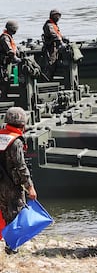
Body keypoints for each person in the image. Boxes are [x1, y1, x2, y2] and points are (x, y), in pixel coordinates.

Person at [0, 107, 37, 254]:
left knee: (4, 213)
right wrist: (30, 187)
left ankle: (9, 246)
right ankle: (12, 248)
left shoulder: (1, 136)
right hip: (11, 185)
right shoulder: (16, 142)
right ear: (23, 125)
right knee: (16, 214)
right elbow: (21, 166)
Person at [42, 9, 65, 81]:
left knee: (54, 65)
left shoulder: (54, 25)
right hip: (51, 48)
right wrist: (61, 42)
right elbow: (54, 35)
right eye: (56, 16)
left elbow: (58, 34)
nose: (58, 17)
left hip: (55, 48)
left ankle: (50, 79)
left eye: (59, 16)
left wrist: (64, 38)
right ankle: (46, 80)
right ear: (52, 16)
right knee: (50, 64)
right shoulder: (49, 25)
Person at [0, 21, 21, 100]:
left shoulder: (9, 37)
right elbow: (9, 51)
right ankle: (3, 99)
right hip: (3, 63)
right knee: (4, 80)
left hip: (8, 63)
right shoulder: (5, 38)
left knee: (8, 78)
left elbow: (13, 48)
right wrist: (16, 58)